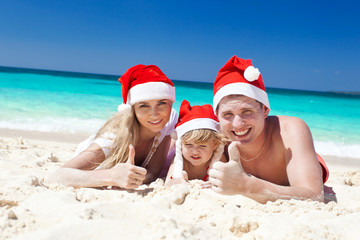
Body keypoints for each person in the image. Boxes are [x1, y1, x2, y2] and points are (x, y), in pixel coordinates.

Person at [208, 56, 329, 203]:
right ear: (218, 117)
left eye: (247, 111)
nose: (238, 124)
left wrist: (246, 185)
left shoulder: (290, 131)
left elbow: (314, 196)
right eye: (228, 114)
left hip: (300, 157)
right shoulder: (217, 138)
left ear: (265, 110)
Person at [47, 64, 178, 189]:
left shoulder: (169, 118)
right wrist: (112, 176)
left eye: (162, 103)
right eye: (144, 105)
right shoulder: (113, 138)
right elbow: (57, 176)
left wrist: (135, 178)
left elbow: (153, 172)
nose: (155, 114)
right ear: (132, 109)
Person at [165, 100, 227, 187]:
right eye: (188, 145)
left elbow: (227, 180)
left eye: (202, 146)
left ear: (215, 144)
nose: (195, 151)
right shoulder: (180, 160)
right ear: (181, 144)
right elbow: (170, 180)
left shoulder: (218, 157)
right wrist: (178, 179)